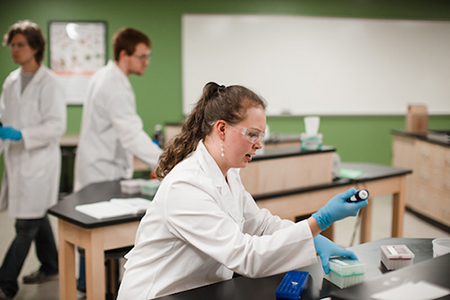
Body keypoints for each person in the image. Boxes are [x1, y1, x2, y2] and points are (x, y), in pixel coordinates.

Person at [117, 82, 368, 299]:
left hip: (198, 290)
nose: (259, 145)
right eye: (252, 134)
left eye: (262, 136)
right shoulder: (186, 185)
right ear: (222, 129)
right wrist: (319, 220)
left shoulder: (229, 174)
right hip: (158, 294)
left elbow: (259, 224)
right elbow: (246, 256)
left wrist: (314, 239)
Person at [73, 27, 162, 292]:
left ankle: (86, 285)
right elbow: (132, 134)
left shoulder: (107, 75)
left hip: (99, 166)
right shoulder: (114, 86)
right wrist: (166, 163)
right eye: (142, 56)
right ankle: (95, 290)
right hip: (103, 171)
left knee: (92, 233)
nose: (146, 62)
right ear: (124, 54)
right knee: (101, 235)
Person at [0, 20, 66, 300]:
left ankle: (5, 284)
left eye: (20, 44)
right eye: (12, 44)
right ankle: (52, 265)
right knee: (36, 218)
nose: (15, 49)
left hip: (39, 162)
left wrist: (22, 134)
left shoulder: (49, 82)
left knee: (25, 225)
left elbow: (56, 126)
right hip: (16, 159)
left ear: (36, 47)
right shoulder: (11, 80)